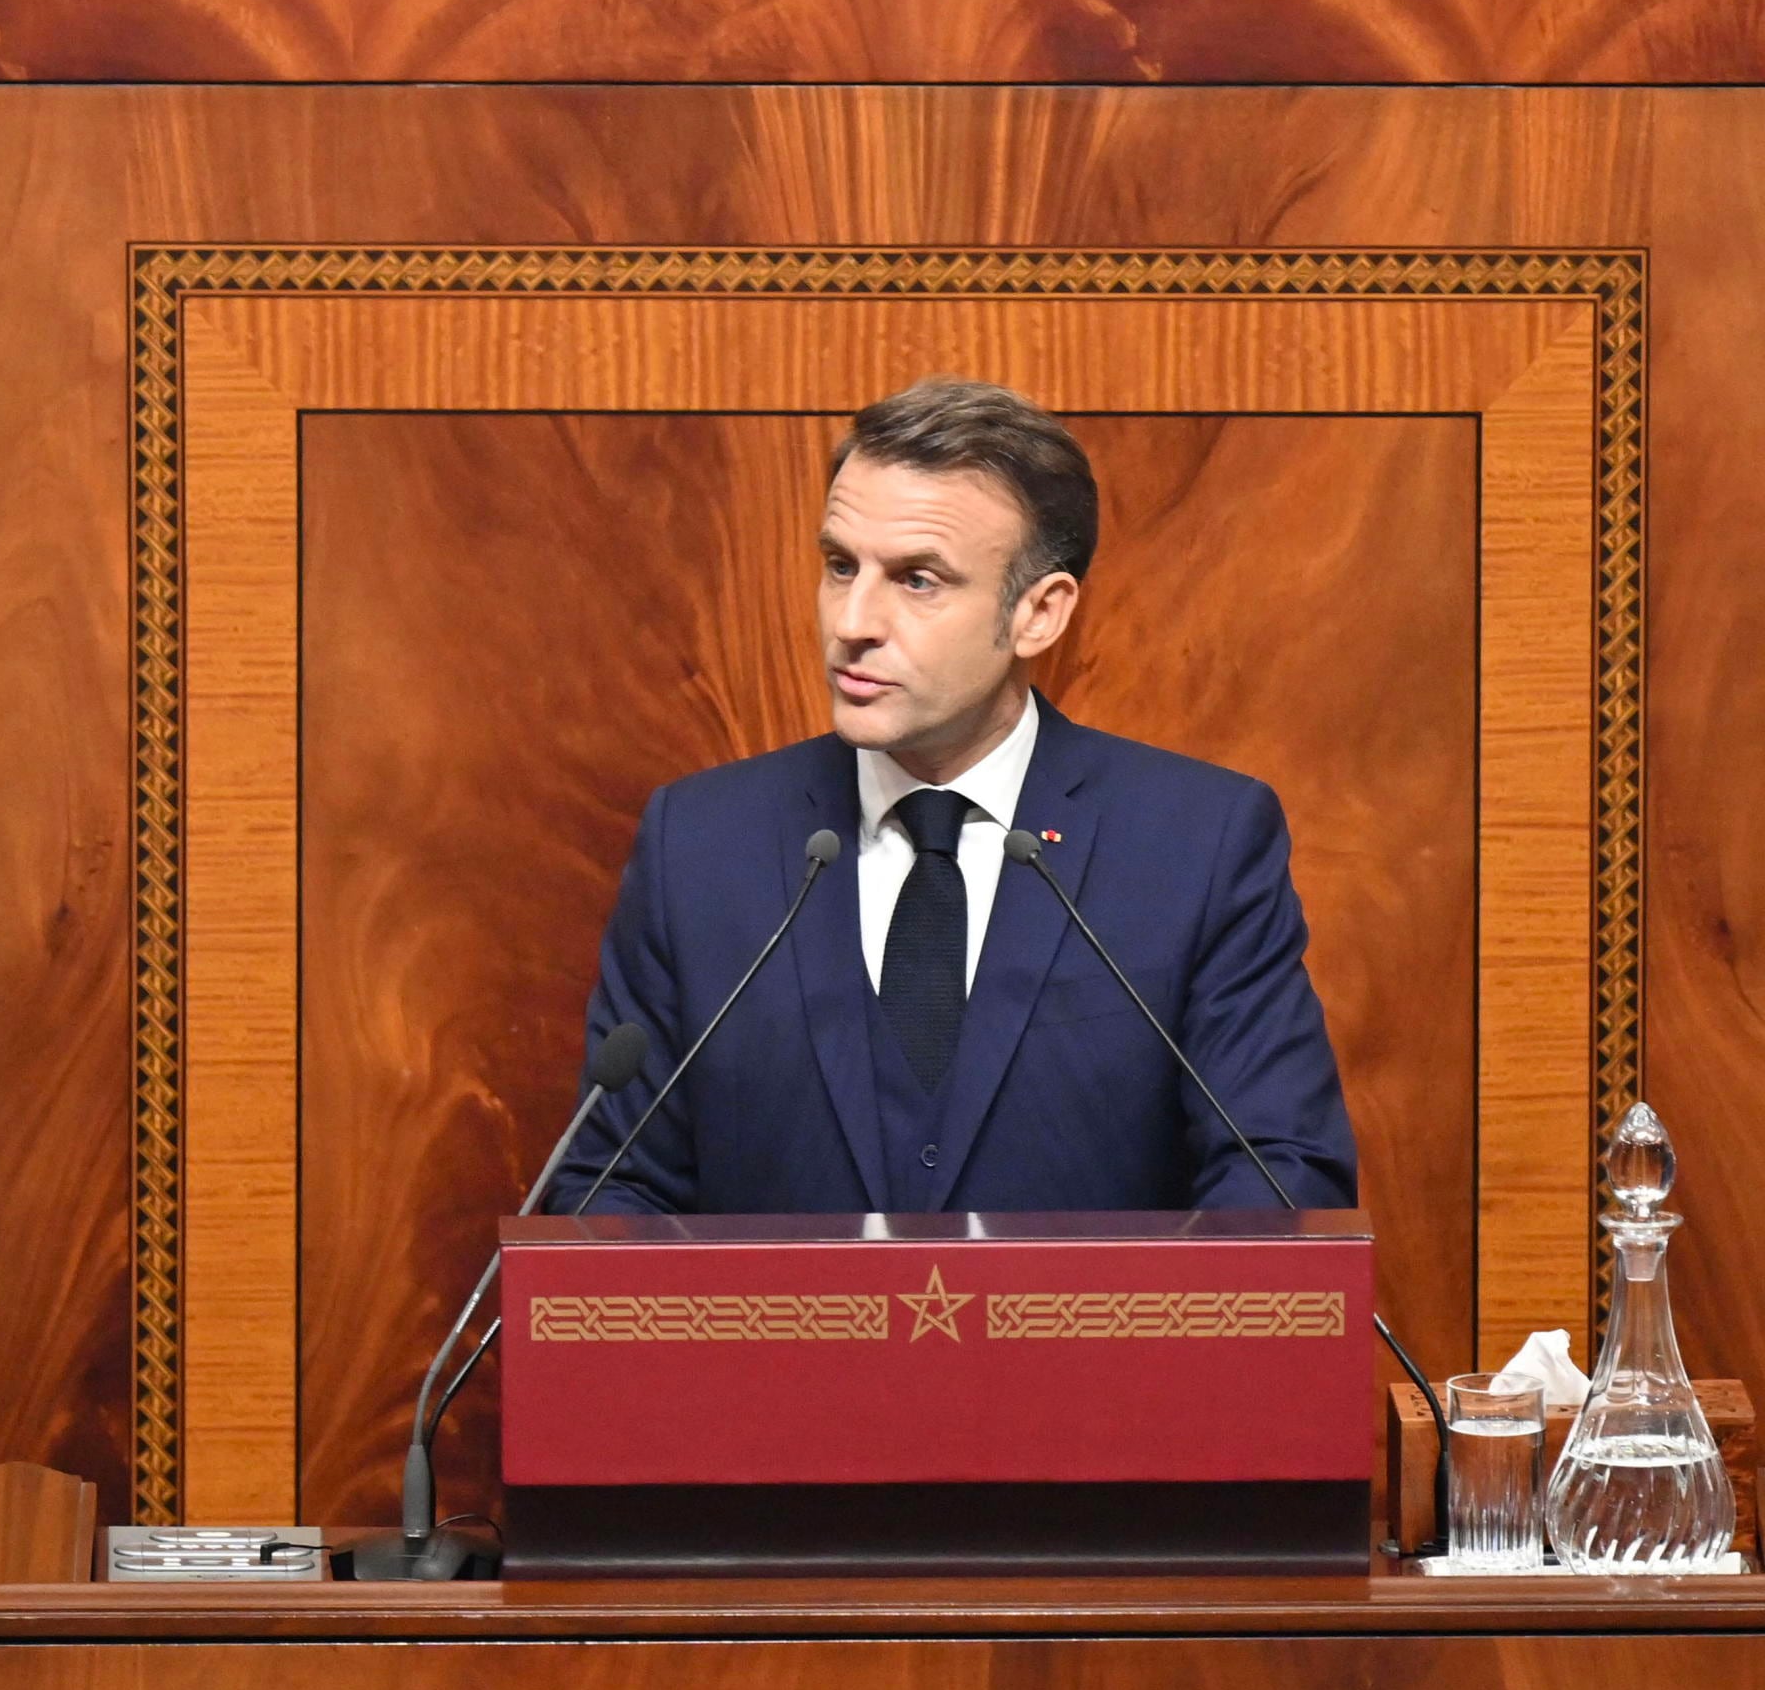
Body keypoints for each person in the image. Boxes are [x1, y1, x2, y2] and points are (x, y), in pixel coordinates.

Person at [549, 380, 1358, 1218]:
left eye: (919, 579)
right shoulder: (701, 845)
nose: (853, 620)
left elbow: (1277, 1178)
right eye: (839, 565)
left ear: (1039, 615)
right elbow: (615, 1187)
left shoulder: (1199, 843)